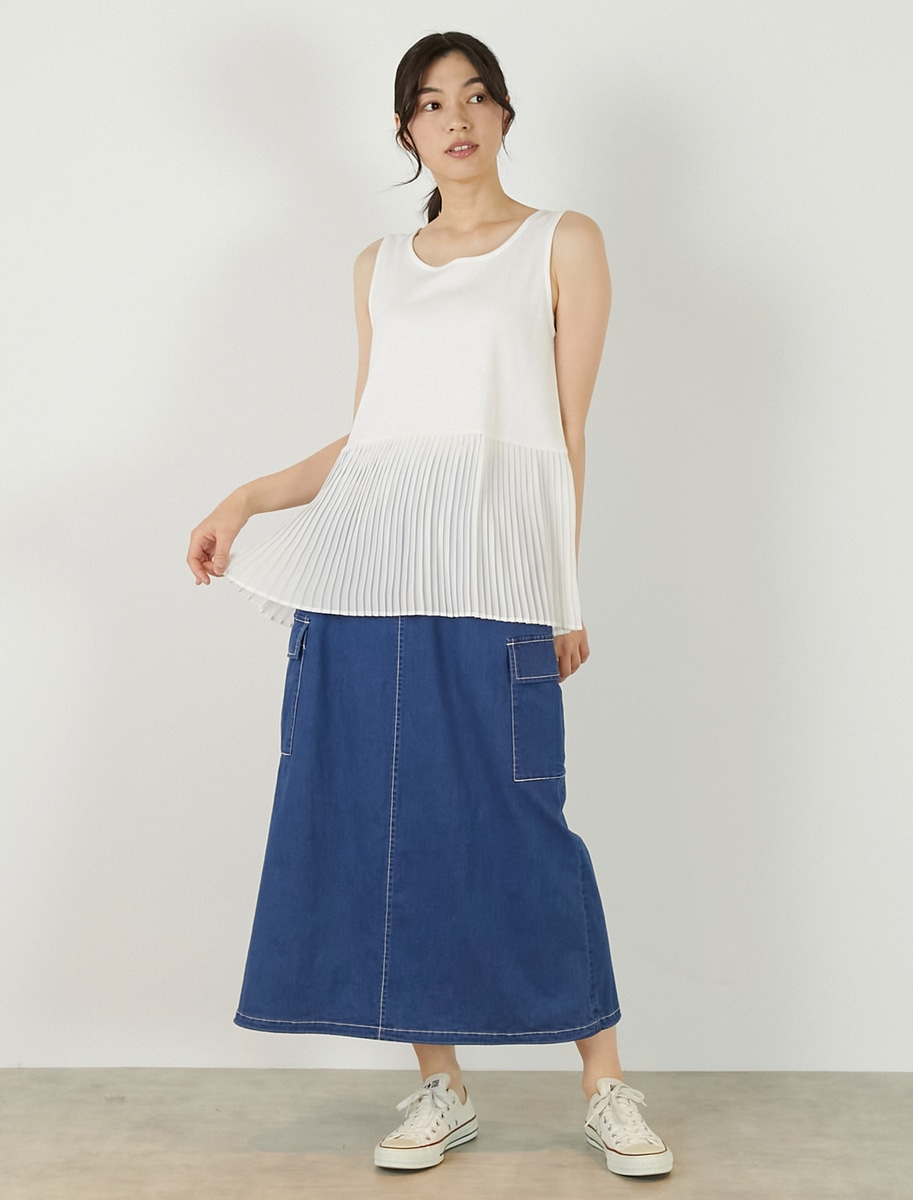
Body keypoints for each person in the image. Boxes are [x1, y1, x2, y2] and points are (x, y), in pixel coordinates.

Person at [186, 30, 672, 1179]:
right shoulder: (379, 265)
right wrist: (248, 497)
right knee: (383, 826)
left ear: (504, 115)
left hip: (495, 580)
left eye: (475, 96)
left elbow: (566, 433)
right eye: (430, 102)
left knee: (524, 823)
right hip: (367, 583)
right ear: (407, 129)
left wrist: (563, 591)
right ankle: (440, 1086)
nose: (455, 118)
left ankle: (606, 1085)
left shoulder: (564, 242)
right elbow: (376, 440)